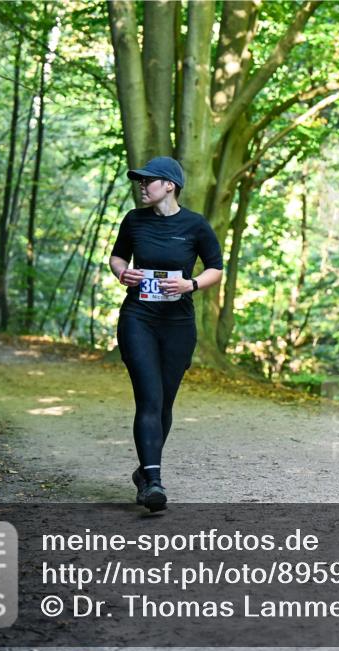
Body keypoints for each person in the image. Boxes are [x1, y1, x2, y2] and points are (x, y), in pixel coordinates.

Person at [109, 156, 223, 512]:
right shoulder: (134, 220)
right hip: (138, 318)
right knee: (149, 398)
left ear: (170, 185)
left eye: (149, 181)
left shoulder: (195, 225)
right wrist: (122, 273)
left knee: (165, 403)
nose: (142, 186)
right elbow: (116, 257)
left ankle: (144, 472)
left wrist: (191, 284)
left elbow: (216, 268)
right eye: (140, 181)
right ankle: (154, 482)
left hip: (177, 324)